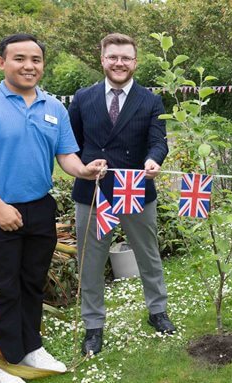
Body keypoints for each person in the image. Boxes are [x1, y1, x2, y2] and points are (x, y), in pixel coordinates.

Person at [0, 34, 106, 383]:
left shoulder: (53, 107)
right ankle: (2, 364)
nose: (28, 66)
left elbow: (65, 155)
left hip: (39, 208)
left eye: (35, 60)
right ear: (1, 62)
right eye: (19, 58)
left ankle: (30, 349)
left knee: (33, 283)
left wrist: (84, 170)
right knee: (3, 288)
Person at [69, 33, 173, 356]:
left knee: (148, 256)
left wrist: (154, 159)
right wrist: (85, 166)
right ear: (102, 59)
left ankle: (158, 312)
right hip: (92, 192)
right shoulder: (82, 99)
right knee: (91, 262)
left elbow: (159, 140)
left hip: (137, 191)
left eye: (126, 58)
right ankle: (93, 327)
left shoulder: (151, 100)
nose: (119, 63)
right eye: (113, 57)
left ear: (135, 62)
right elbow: (69, 146)